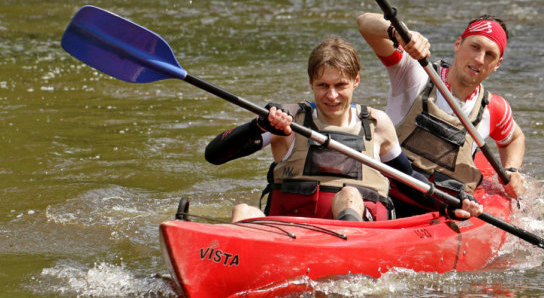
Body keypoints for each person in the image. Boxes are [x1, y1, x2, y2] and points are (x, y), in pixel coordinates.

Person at [205, 37, 484, 222]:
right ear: (311, 83)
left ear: (356, 81)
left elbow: (406, 179)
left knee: (349, 195)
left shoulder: (377, 124)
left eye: (341, 85)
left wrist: (448, 203)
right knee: (242, 211)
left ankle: (344, 264)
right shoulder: (290, 118)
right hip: (289, 233)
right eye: (323, 86)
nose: (332, 96)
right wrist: (259, 125)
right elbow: (215, 155)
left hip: (358, 236)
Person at [356, 13, 527, 216]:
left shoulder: (495, 109)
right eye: (474, 47)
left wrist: (512, 170)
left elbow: (513, 138)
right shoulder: (414, 72)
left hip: (443, 211)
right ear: (458, 44)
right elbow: (364, 23)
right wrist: (399, 33)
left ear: (497, 64)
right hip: (387, 197)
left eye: (490, 54)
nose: (479, 59)